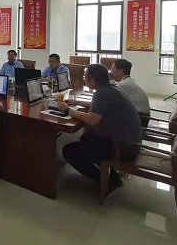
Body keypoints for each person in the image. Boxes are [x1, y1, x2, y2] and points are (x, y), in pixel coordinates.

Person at [59, 64, 142, 195]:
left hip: (122, 149)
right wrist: (77, 103)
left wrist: (68, 110)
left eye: (85, 77)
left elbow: (92, 120)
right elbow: (98, 105)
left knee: (69, 151)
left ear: (92, 81)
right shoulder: (111, 89)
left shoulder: (102, 94)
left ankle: (106, 182)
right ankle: (113, 178)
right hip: (130, 142)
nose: (83, 79)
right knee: (86, 138)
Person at [110, 59, 151, 127]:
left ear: (120, 71)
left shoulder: (123, 84)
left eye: (112, 69)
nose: (111, 72)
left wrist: (110, 80)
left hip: (140, 118)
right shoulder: (128, 81)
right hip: (141, 117)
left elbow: (108, 97)